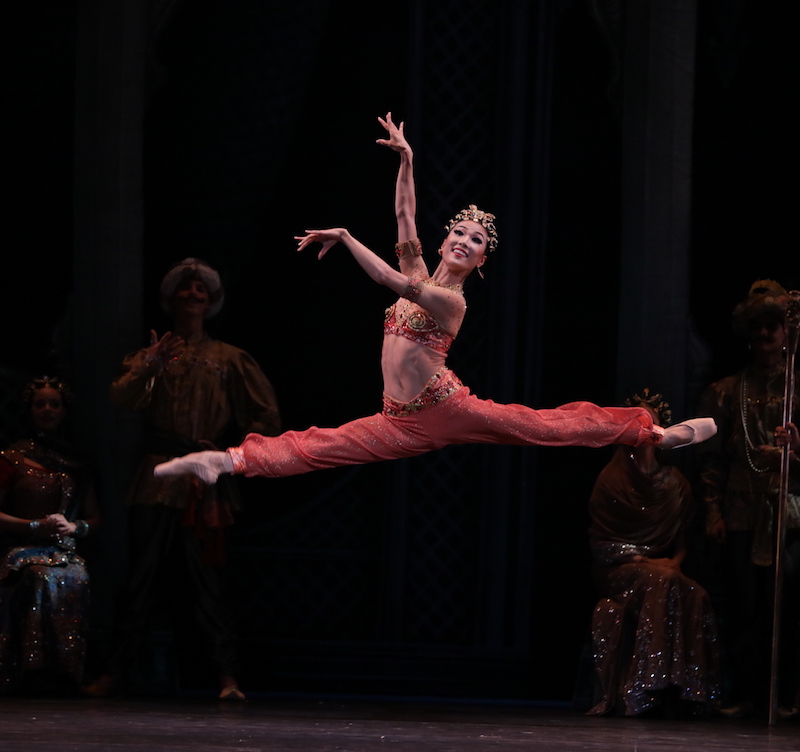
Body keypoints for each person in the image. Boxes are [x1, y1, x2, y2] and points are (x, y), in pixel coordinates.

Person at [155, 114, 716, 487]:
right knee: (318, 446)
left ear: (479, 261)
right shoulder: (422, 265)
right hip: (398, 419)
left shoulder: (451, 303)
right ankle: (225, 461)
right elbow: (404, 217)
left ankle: (652, 432)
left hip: (444, 408)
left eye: (476, 240)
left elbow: (391, 282)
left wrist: (347, 237)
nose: (463, 239)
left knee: (540, 426)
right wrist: (407, 159)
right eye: (461, 230)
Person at [85, 258, 281, 700]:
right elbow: (121, 397)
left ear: (210, 302)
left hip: (207, 477)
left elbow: (266, 418)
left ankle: (227, 676)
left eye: (201, 290)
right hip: (157, 477)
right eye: (185, 288)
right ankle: (114, 671)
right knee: (140, 577)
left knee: (208, 579)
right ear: (172, 298)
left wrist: (231, 455)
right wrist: (150, 366)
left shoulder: (230, 359)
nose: (193, 294)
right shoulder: (149, 355)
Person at [697, 280, 799, 718]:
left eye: (772, 326)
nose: (764, 335)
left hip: (788, 507)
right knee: (744, 605)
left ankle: (788, 694)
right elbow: (711, 461)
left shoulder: (798, 388)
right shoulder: (725, 390)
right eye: (756, 327)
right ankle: (745, 693)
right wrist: (713, 510)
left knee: (789, 603)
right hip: (740, 505)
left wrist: (797, 448)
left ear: (786, 332)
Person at [586, 389, 720, 717]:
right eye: (636, 421)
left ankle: (691, 691)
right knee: (658, 581)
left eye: (651, 422)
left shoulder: (674, 483)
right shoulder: (612, 479)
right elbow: (603, 545)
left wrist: (673, 563)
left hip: (662, 569)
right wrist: (645, 561)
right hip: (621, 571)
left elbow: (682, 540)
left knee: (695, 593)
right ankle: (643, 689)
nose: (644, 428)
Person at [0, 377, 100, 694]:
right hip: (20, 548)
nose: (46, 409)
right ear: (29, 410)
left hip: (63, 550)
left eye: (53, 404)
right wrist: (32, 526)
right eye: (39, 403)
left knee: (76, 575)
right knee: (38, 576)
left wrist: (75, 528)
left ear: (64, 411)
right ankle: (27, 672)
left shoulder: (76, 463)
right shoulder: (12, 457)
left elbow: (96, 517)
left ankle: (64, 675)